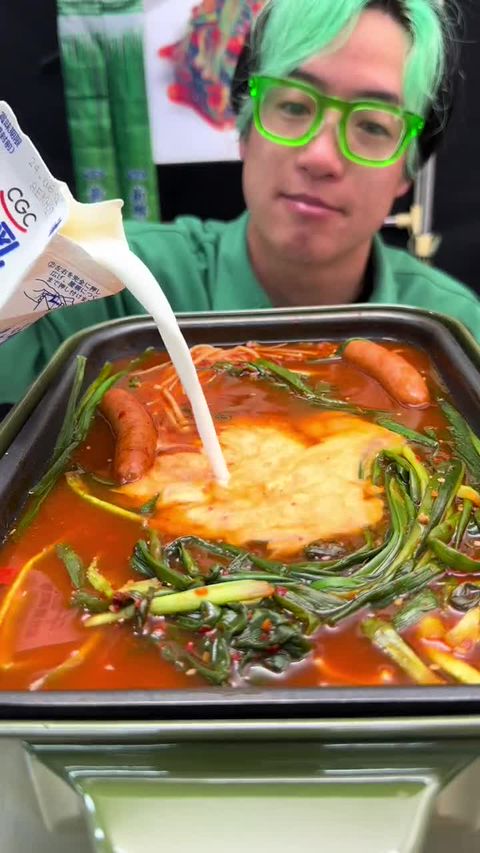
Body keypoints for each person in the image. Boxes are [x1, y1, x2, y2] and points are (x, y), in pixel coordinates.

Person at [2, 0, 479, 406]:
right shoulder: (107, 284)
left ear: (407, 172)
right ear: (244, 132)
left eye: (373, 126)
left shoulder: (455, 328)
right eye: (292, 106)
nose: (320, 157)